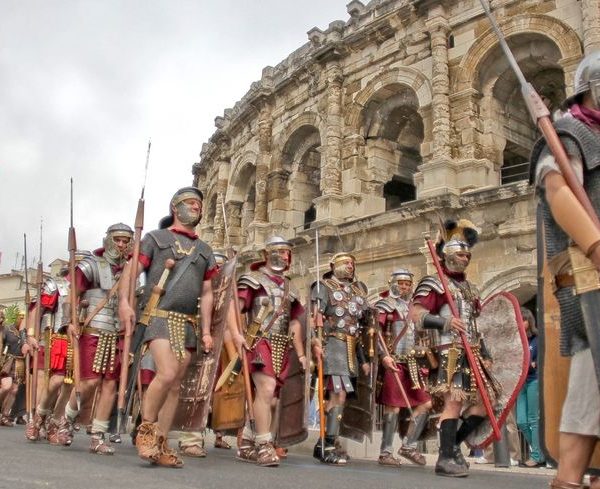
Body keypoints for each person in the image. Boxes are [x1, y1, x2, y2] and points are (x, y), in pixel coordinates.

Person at [530, 51, 600, 489]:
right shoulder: (570, 131)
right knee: (591, 371)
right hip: (591, 276)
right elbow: (558, 192)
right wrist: (594, 245)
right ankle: (569, 479)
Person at [119, 186, 216, 468]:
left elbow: (207, 292)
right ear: (175, 207)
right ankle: (147, 431)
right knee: (168, 372)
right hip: (159, 315)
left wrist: (207, 331)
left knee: (176, 386)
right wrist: (125, 303)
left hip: (187, 322)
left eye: (199, 203)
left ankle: (161, 442)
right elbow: (131, 272)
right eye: (190, 203)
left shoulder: (205, 250)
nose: (197, 207)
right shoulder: (155, 239)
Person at [411, 219, 498, 478]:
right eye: (461, 253)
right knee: (454, 402)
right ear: (447, 254)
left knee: (487, 404)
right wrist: (445, 321)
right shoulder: (434, 283)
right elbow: (415, 314)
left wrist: (486, 353)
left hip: (473, 350)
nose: (466, 257)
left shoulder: (469, 287)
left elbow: (474, 324)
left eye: (468, 253)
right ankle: (445, 459)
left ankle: (451, 447)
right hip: (451, 350)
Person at [55, 223, 133, 454]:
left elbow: (132, 301)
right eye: (117, 240)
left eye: (126, 241)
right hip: (93, 328)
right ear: (108, 240)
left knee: (110, 384)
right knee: (89, 382)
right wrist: (70, 321)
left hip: (117, 332)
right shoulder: (91, 264)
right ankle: (67, 420)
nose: (121, 245)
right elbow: (73, 295)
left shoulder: (131, 270)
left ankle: (98, 436)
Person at [230, 236, 306, 467]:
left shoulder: (289, 287)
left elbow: (294, 322)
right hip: (259, 340)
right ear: (268, 253)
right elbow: (236, 307)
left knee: (271, 399)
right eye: (281, 252)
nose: (285, 257)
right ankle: (264, 444)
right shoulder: (252, 280)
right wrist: (236, 334)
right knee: (266, 388)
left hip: (281, 344)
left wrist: (301, 353)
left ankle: (246, 443)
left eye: (287, 253)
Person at [311, 252, 372, 465]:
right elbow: (316, 319)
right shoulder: (324, 287)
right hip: (334, 347)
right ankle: (327, 444)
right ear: (333, 265)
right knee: (339, 394)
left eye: (352, 264)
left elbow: (359, 328)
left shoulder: (357, 291)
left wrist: (363, 359)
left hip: (351, 350)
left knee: (339, 397)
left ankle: (323, 444)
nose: (350, 266)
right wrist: (316, 343)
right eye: (345, 263)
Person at [375, 268, 432, 467]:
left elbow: (422, 334)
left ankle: (408, 445)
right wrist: (384, 357)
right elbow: (376, 334)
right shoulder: (385, 305)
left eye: (408, 284)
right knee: (394, 407)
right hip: (394, 362)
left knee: (425, 403)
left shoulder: (413, 308)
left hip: (412, 363)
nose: (405, 287)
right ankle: (386, 452)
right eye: (401, 283)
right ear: (393, 283)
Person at [24, 273, 73, 442]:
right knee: (50, 381)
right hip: (52, 337)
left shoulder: (99, 286)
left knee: (69, 385)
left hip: (79, 340)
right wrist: (30, 335)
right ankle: (37, 420)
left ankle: (55, 423)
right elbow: (37, 310)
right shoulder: (58, 285)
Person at [515, 308, 545, 468]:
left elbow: (539, 361)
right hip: (521, 382)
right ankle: (539, 452)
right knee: (521, 421)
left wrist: (533, 365)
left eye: (524, 319)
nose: (521, 322)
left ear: (529, 321)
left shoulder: (537, 338)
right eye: (519, 319)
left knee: (534, 419)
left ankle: (536, 456)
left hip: (534, 381)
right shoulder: (517, 340)